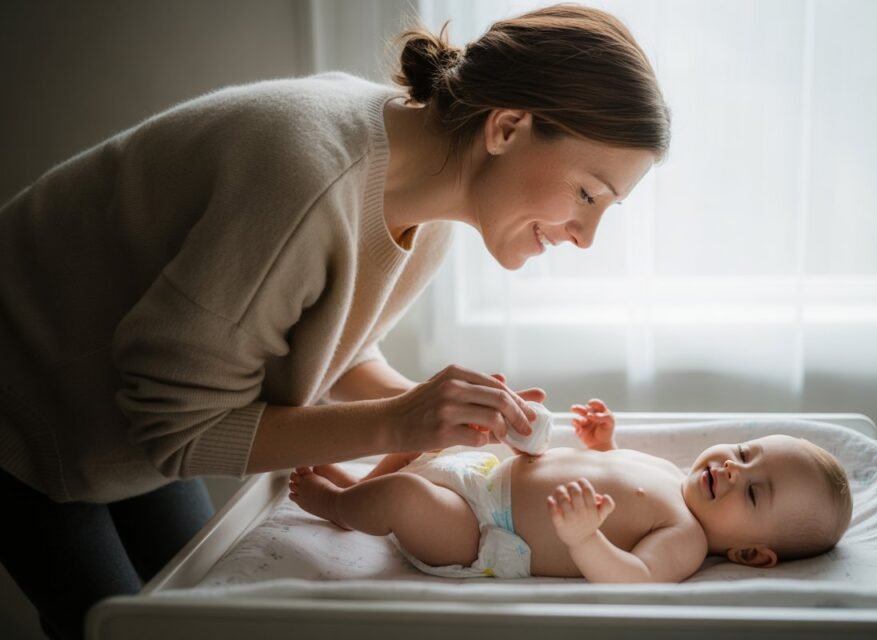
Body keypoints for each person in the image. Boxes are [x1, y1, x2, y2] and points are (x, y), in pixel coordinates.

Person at [0, 4, 670, 637]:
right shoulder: (305, 177)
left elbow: (326, 342)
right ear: (506, 127)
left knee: (198, 611)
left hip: (121, 409)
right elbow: (176, 429)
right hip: (25, 410)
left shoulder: (425, 199)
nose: (587, 236)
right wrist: (397, 422)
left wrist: (435, 412)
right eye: (589, 194)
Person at [289, 399, 854, 582]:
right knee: (426, 443)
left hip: (483, 532)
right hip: (486, 474)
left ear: (750, 553)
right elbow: (612, 474)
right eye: (745, 452)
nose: (733, 470)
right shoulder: (672, 475)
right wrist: (602, 444)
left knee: (403, 503)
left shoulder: (683, 538)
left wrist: (586, 540)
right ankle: (361, 481)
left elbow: (633, 581)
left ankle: (338, 506)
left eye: (753, 494)